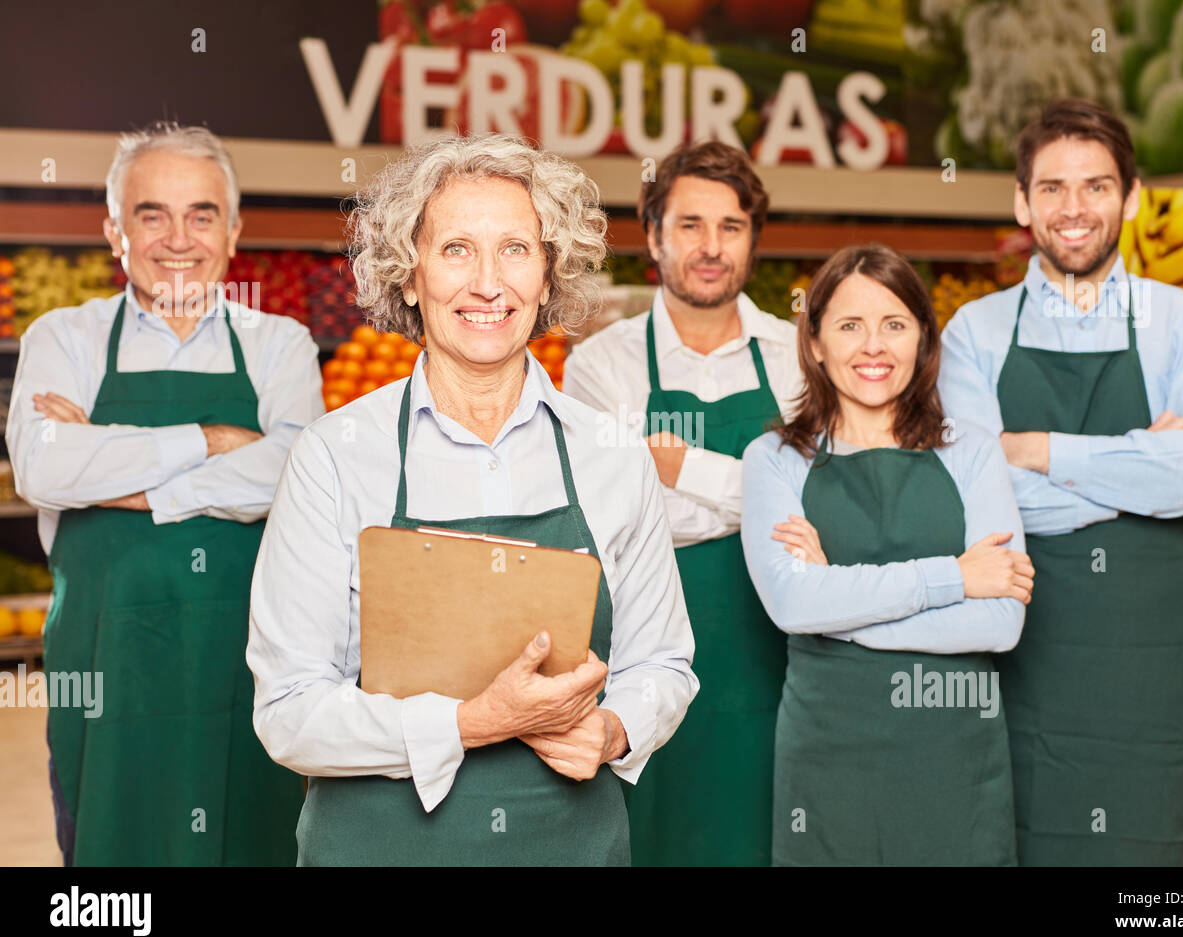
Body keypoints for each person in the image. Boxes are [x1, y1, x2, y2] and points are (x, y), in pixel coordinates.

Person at [246, 133, 698, 866]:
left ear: (549, 277)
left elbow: (664, 664)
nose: (488, 283)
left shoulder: (610, 455)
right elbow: (289, 711)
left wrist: (612, 729)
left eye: (516, 249)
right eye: (456, 249)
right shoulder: (335, 456)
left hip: (569, 843)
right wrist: (471, 722)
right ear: (409, 277)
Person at [6, 121, 320, 865]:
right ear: (114, 231)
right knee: (111, 868)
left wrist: (127, 480)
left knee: (253, 843)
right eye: (152, 214)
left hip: (249, 664)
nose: (178, 238)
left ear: (233, 229)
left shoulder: (280, 344)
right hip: (105, 667)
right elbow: (46, 470)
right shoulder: (65, 337)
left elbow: (295, 473)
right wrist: (211, 439)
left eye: (201, 214)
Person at [938, 98, 1183, 866]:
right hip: (1022, 652)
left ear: (1131, 197)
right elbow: (978, 492)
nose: (1074, 210)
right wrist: (1142, 463)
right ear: (1022, 201)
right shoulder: (973, 332)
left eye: (1097, 186)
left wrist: (1036, 447)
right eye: (1052, 188)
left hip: (1146, 666)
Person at [741, 243, 1031, 866]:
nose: (873, 346)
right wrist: (955, 575)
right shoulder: (773, 460)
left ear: (924, 340)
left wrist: (838, 607)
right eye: (850, 326)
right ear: (814, 342)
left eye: (894, 325)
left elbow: (1001, 622)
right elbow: (792, 604)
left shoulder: (972, 451)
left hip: (955, 757)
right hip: (828, 758)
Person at [564, 141, 802, 866]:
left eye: (731, 227)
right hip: (641, 657)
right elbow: (617, 516)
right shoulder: (601, 365)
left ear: (753, 240)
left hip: (776, 658)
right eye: (691, 225)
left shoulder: (798, 356)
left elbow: (821, 505)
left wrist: (679, 463)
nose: (711, 247)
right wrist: (760, 492)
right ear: (654, 235)